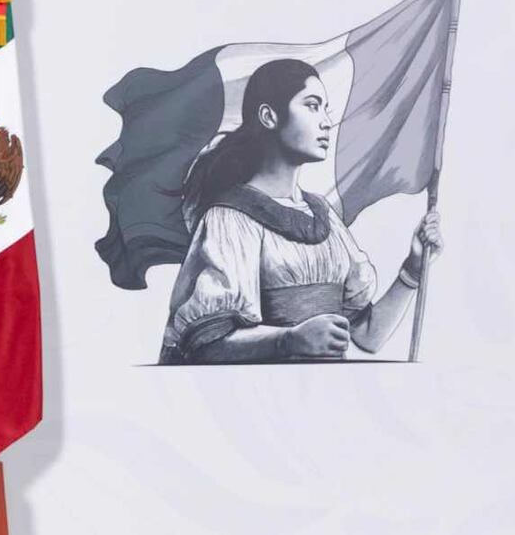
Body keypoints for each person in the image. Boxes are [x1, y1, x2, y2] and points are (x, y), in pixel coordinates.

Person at [158, 58, 443, 364]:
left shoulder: (325, 217)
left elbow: (368, 336)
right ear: (269, 116)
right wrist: (289, 340)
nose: (325, 122)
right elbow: (205, 346)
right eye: (312, 105)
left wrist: (412, 270)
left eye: (325, 108)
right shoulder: (230, 218)